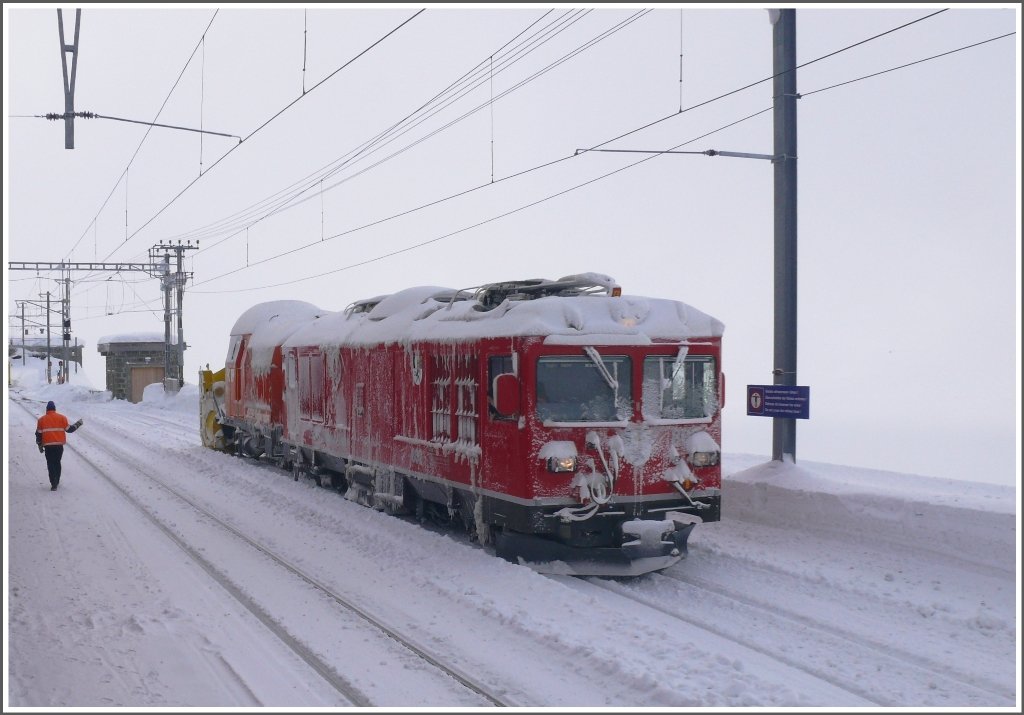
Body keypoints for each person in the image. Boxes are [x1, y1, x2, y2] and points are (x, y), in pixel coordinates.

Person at [35, 401, 84, 491]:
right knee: (57, 463)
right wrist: (78, 424)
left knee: (50, 463)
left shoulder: (41, 420)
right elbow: (70, 430)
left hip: (48, 447)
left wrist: (39, 445)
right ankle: (56, 480)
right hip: (59, 446)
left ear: (47, 409)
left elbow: (38, 434)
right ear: (55, 409)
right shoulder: (62, 418)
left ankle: (53, 484)